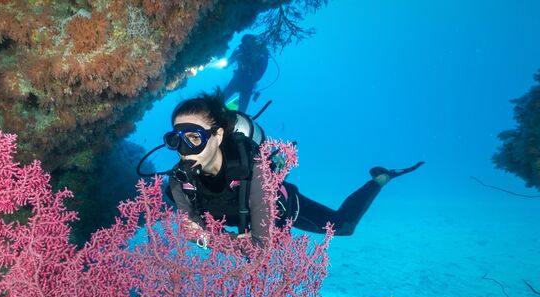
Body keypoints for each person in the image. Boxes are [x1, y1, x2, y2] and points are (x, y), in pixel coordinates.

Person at [164, 92, 424, 247]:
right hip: (238, 223)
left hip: (282, 210)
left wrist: (209, 239)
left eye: (194, 138)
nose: (184, 150)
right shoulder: (179, 183)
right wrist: (204, 235)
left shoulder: (251, 169)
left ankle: (380, 180)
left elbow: (258, 246)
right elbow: (195, 230)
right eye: (176, 140)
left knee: (344, 226)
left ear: (218, 135)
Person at [223, 34, 269, 113]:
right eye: (243, 43)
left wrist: (252, 63)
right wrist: (228, 63)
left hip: (248, 81)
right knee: (223, 98)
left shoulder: (259, 54)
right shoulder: (240, 51)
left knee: (241, 108)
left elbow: (260, 72)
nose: (243, 45)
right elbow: (228, 63)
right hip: (239, 78)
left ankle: (238, 119)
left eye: (245, 43)